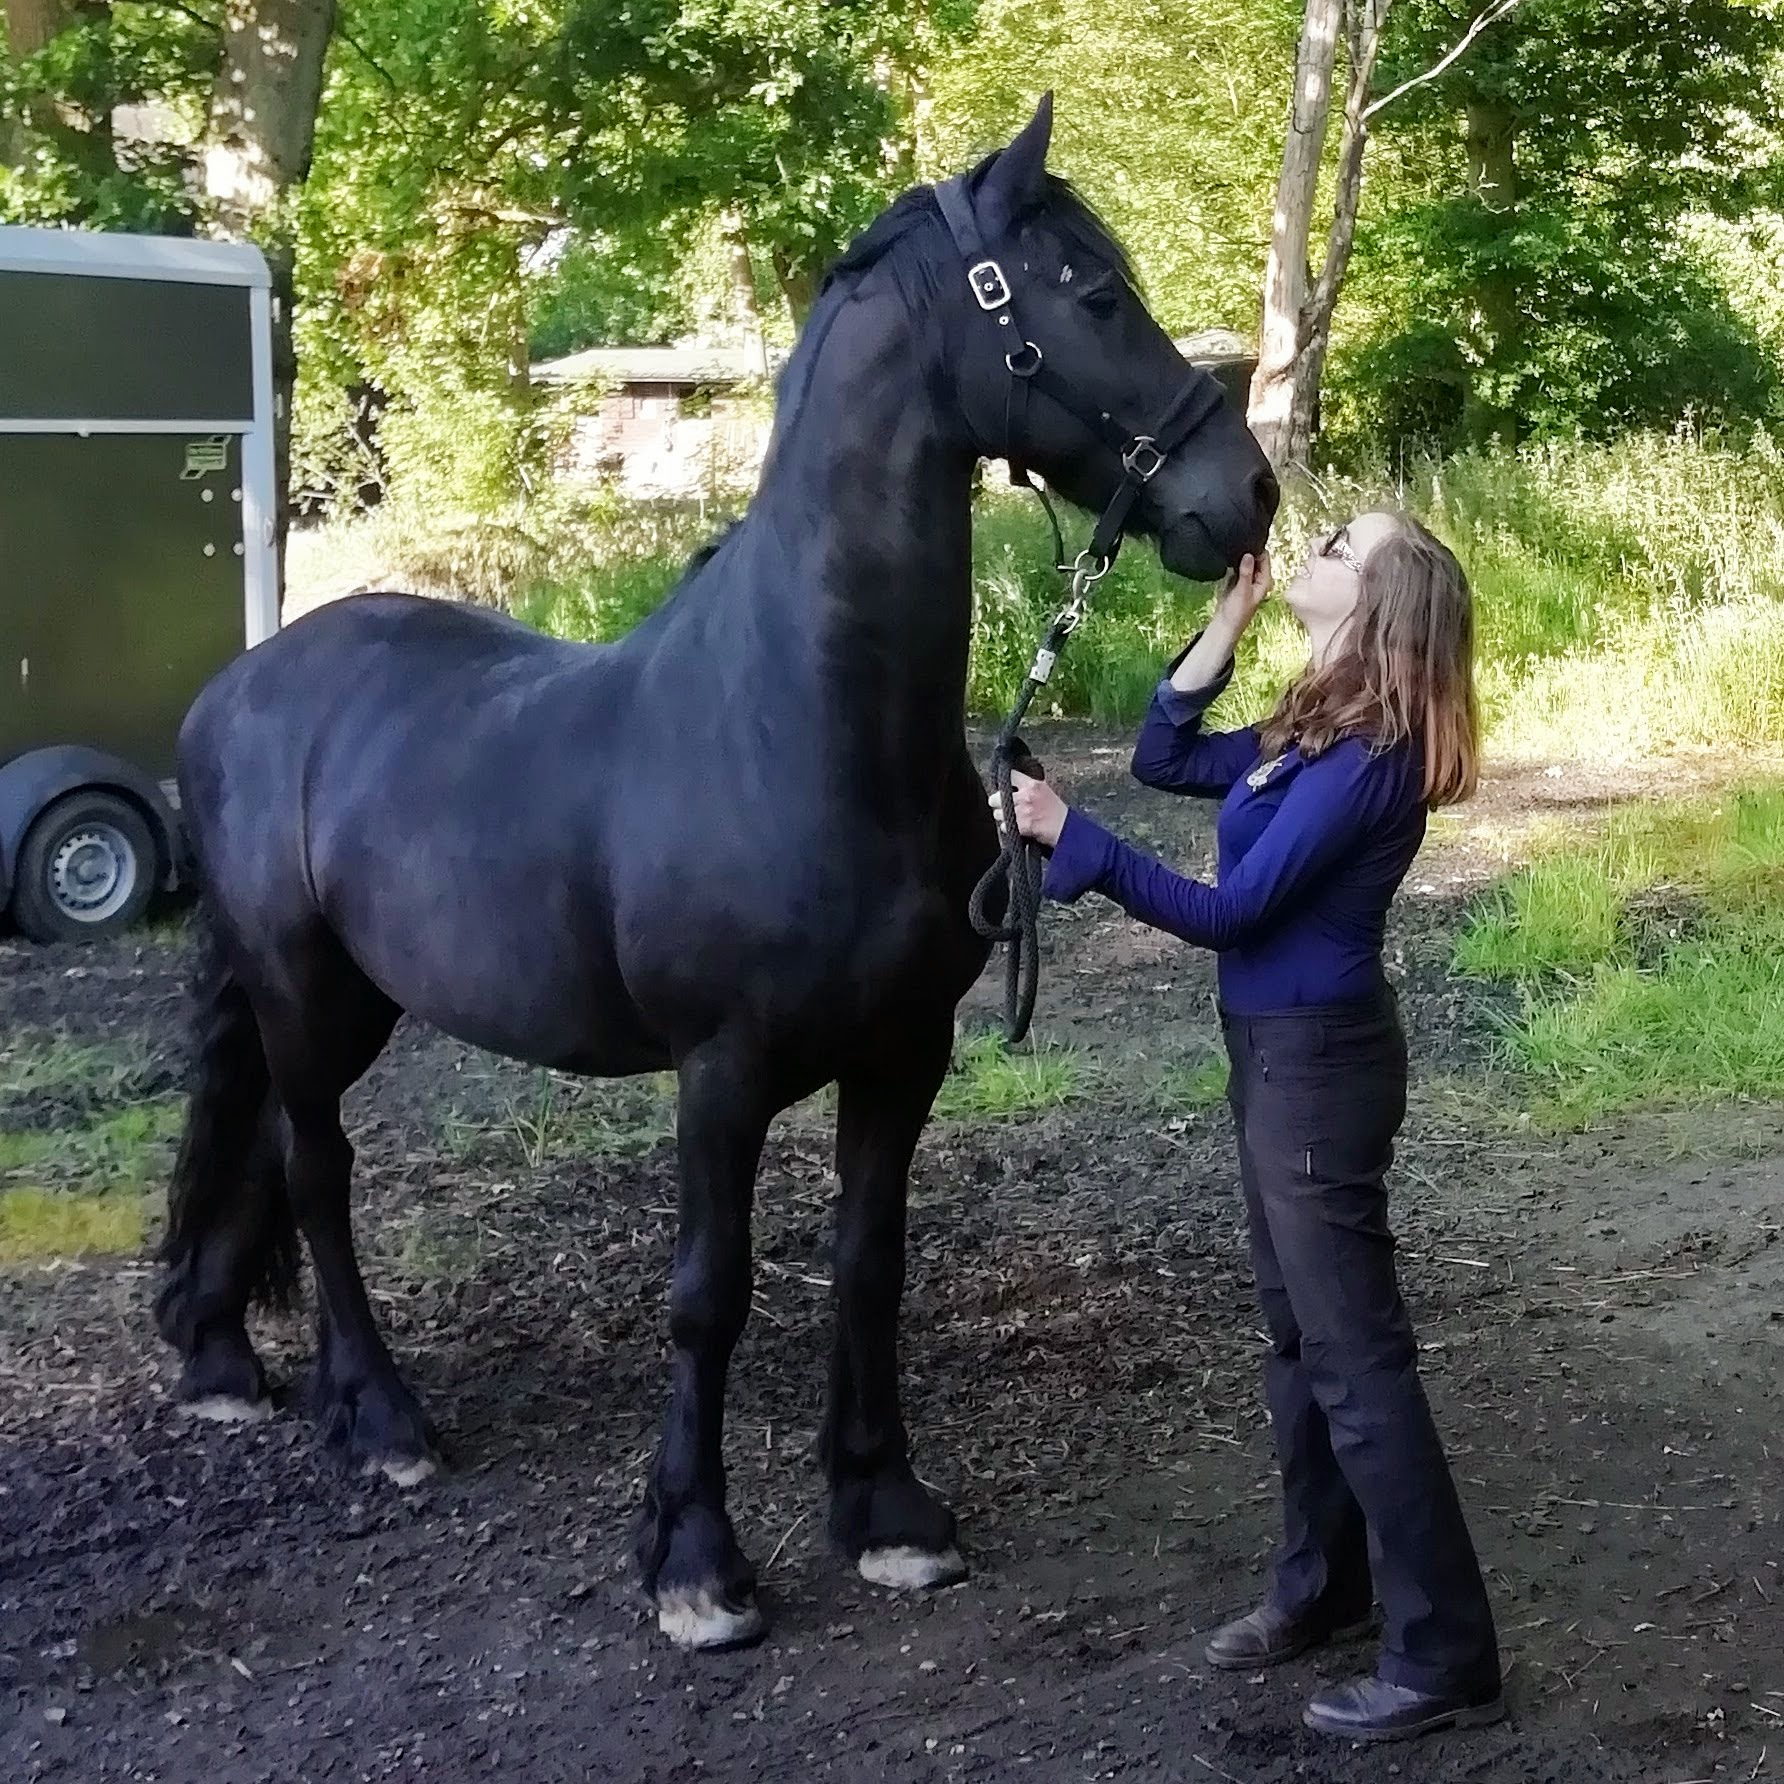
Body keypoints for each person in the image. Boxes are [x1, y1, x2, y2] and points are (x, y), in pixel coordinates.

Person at [995, 512, 1504, 1742]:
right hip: (1272, 1056)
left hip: (1318, 1069)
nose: (1309, 546)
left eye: (1336, 544)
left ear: (1380, 601)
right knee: (1297, 1338)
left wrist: (1072, 835)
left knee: (1356, 1358)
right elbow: (1163, 752)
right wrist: (1226, 617)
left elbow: (1233, 914)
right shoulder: (1313, 726)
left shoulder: (1370, 756)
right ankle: (1321, 1581)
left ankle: (1444, 1652)